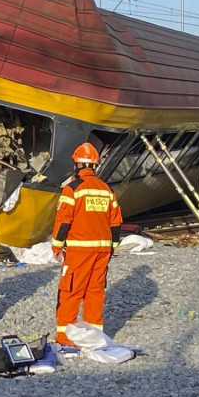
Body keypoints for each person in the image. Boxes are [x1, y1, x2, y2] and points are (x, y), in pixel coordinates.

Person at [51, 142, 123, 347]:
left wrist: (57, 246)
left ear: (76, 164)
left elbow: (64, 220)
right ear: (95, 165)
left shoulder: (72, 189)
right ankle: (94, 334)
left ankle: (65, 336)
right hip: (102, 249)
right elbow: (116, 222)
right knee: (95, 291)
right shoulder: (106, 190)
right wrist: (112, 247)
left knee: (71, 289)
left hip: (79, 248)